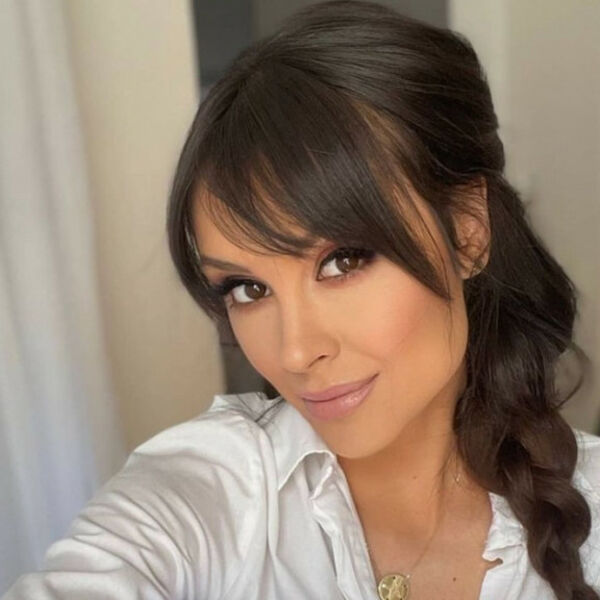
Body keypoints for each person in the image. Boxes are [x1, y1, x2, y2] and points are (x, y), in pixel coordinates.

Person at [4, 1, 600, 599]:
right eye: (248, 288)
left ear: (468, 232)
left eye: (343, 261)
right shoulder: (213, 490)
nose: (294, 352)